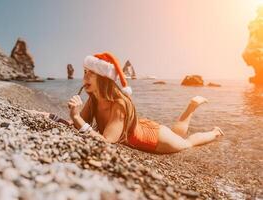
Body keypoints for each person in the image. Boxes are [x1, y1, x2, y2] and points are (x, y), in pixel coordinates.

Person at [28, 52, 224, 154]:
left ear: (104, 78)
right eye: (84, 72)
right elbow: (75, 127)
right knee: (178, 132)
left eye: (91, 73)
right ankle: (190, 108)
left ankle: (211, 129)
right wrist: (40, 115)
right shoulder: (94, 99)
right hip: (141, 127)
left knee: (186, 143)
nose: (85, 77)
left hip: (155, 139)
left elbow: (105, 142)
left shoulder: (119, 105)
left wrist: (77, 116)